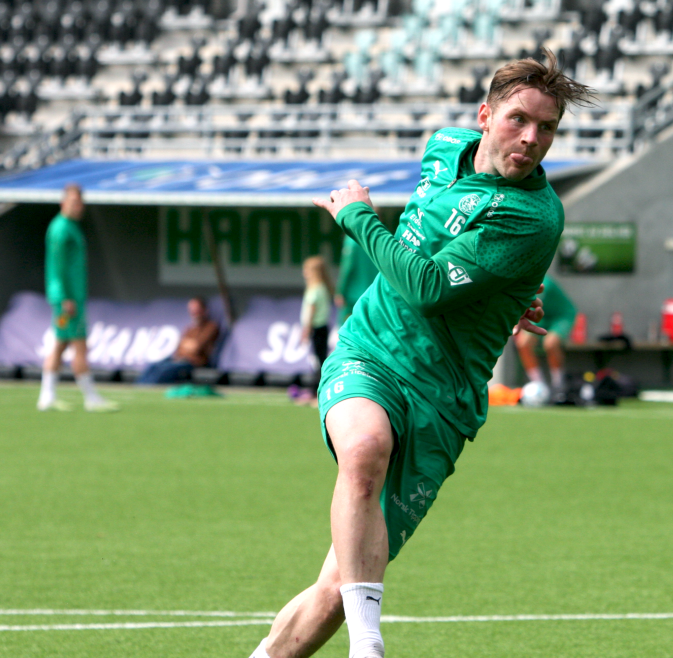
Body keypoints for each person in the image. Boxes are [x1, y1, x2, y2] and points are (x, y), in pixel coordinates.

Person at [248, 51, 593, 658]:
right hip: (372, 349)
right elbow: (432, 276)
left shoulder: (534, 217)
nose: (531, 138)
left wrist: (358, 217)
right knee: (364, 447)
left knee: (335, 588)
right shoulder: (443, 147)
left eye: (547, 128)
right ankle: (369, 647)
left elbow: (430, 287)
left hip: (443, 400)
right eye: (518, 119)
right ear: (485, 116)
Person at [37, 184, 118, 412]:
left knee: (60, 343)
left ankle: (47, 396)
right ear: (63, 202)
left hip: (69, 299)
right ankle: (91, 398)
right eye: (74, 202)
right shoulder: (61, 228)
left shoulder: (69, 226)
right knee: (80, 345)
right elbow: (57, 267)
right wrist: (64, 298)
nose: (78, 206)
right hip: (69, 301)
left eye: (80, 202)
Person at [136, 297, 220, 384]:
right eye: (191, 309)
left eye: (196, 309)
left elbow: (197, 347)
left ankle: (149, 387)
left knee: (164, 370)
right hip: (179, 359)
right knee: (153, 366)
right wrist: (188, 345)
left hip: (194, 363)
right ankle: (139, 387)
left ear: (204, 310)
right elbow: (179, 346)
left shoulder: (211, 327)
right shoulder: (190, 329)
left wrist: (187, 345)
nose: (193, 312)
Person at [515, 273, 576, 394]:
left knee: (550, 344)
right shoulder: (518, 282)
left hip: (561, 316)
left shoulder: (543, 284)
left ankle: (558, 385)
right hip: (541, 316)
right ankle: (539, 385)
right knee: (522, 344)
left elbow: (529, 308)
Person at [298, 255, 334, 399]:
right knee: (320, 358)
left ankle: (316, 390)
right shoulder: (323, 288)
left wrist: (306, 330)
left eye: (306, 270)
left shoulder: (316, 289)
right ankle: (317, 389)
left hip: (317, 328)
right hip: (322, 327)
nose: (304, 272)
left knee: (318, 360)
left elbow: (311, 310)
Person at [336, 235, 376, 325]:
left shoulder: (352, 240)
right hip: (373, 293)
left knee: (347, 327)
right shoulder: (377, 236)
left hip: (353, 296)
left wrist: (340, 291)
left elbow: (347, 268)